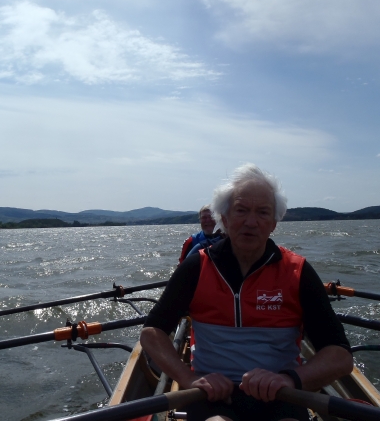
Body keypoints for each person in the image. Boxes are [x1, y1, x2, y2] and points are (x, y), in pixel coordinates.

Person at [140, 164, 353, 421]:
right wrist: (190, 378)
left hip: (282, 395)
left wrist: (289, 379)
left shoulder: (297, 271)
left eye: (263, 212)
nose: (251, 222)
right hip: (212, 397)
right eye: (241, 210)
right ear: (225, 219)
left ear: (273, 223)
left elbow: (340, 356)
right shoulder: (196, 267)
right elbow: (152, 333)